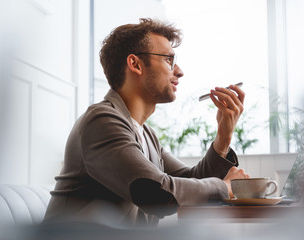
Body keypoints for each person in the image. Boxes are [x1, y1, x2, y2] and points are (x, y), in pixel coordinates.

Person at [44, 18, 249, 227]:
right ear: (135, 64)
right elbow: (155, 192)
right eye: (169, 60)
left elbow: (191, 179)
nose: (179, 71)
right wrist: (225, 187)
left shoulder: (146, 134)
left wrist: (224, 136)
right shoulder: (101, 121)